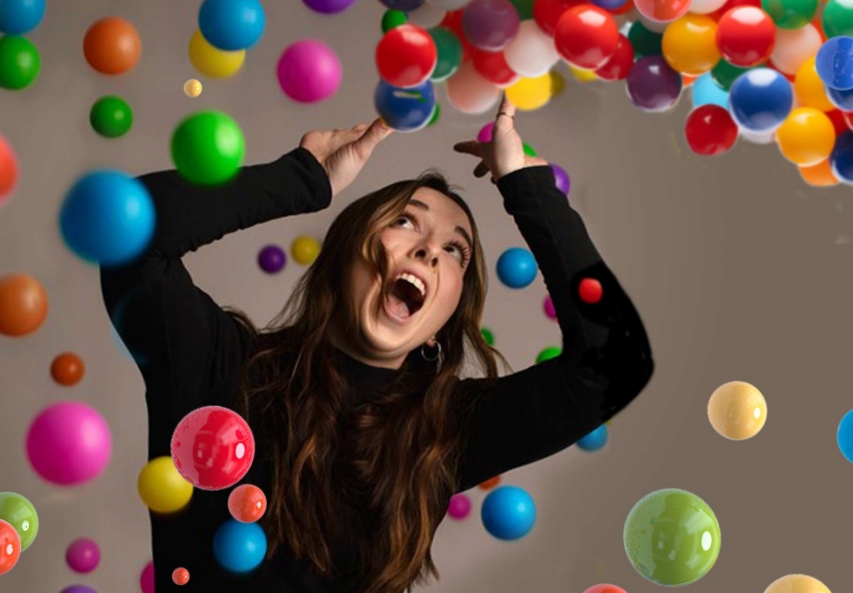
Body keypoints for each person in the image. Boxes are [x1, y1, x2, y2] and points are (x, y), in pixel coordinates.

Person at [101, 99, 654, 593]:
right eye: (406, 222)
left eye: (455, 251)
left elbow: (617, 361)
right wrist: (301, 180)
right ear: (345, 257)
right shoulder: (225, 367)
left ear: (443, 321)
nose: (430, 251)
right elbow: (127, 230)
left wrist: (528, 188)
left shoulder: (443, 430)